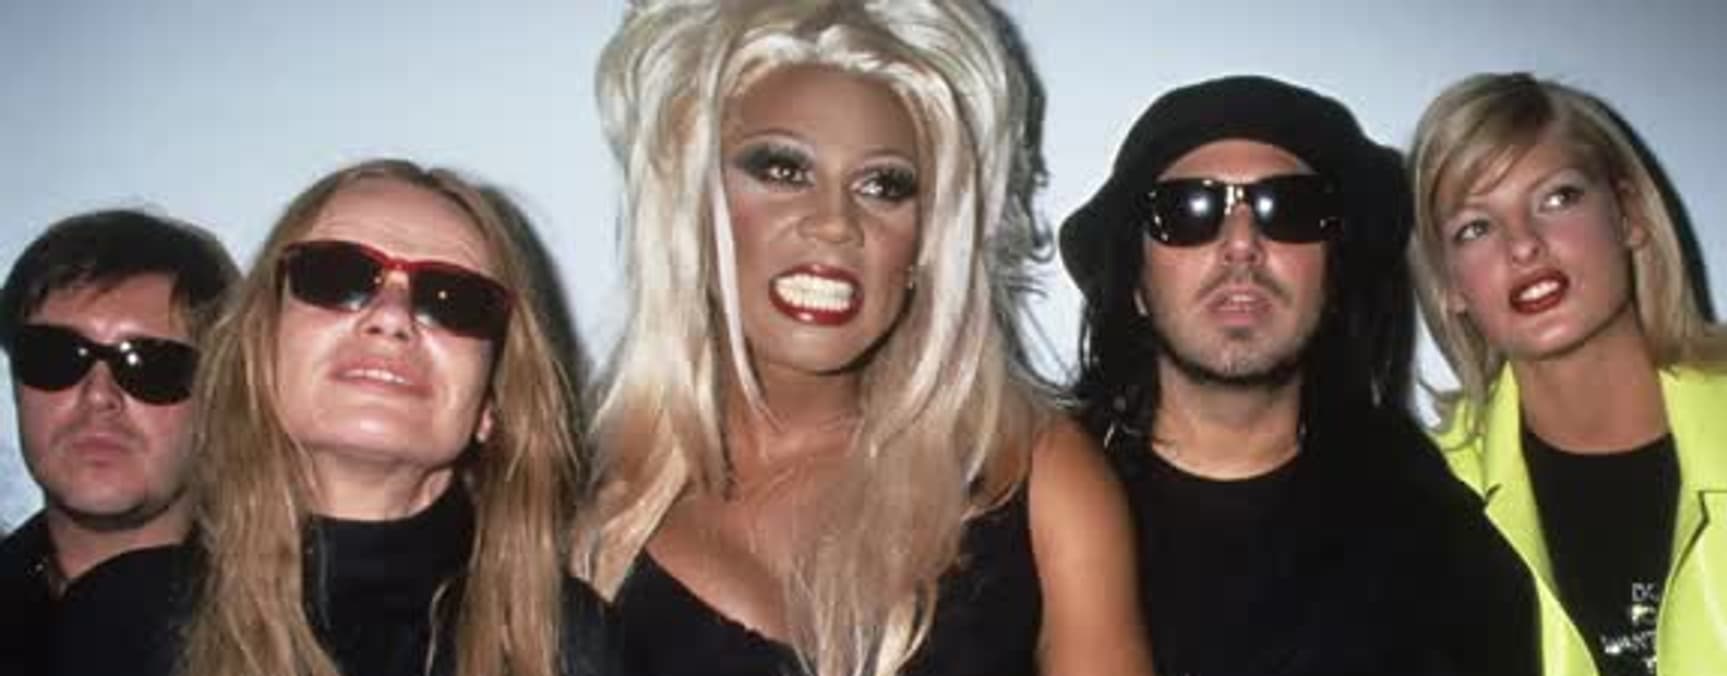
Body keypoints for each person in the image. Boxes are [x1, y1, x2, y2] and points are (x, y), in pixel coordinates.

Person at [575, 2, 1150, 676]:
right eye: (783, 170)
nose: (834, 223)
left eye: (883, 185)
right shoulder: (578, 498)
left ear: (929, 239)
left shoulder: (1039, 480)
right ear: (693, 207)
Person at [1409, 72, 1727, 675]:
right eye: (1475, 227)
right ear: (1449, 285)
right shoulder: (1428, 496)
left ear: (1629, 214)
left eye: (1557, 198)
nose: (1523, 245)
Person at [50, 159, 611, 676]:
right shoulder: (121, 621)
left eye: (451, 298)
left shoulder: (569, 645)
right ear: (259, 354)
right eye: (336, 276)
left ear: (492, 403)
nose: (390, 318)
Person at [1062, 74, 1537, 676]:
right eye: (1187, 212)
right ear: (1134, 282)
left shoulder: (1442, 548)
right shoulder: (1034, 514)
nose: (1241, 244)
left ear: (1334, 274)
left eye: (1289, 209)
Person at [0, 209, 235, 673]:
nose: (98, 396)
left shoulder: (307, 626)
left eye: (152, 365)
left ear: (219, 398)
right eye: (56, 356)